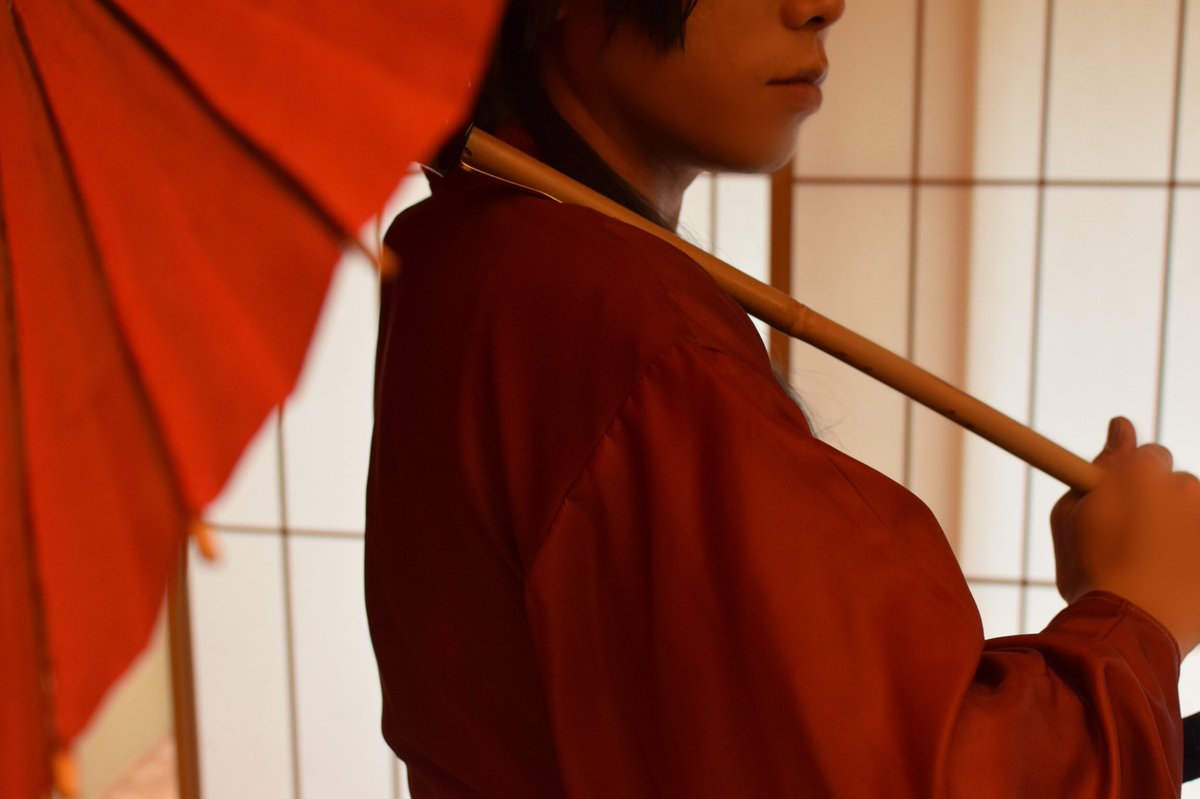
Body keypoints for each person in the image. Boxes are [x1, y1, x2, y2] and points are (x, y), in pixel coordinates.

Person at [365, 1, 1200, 795]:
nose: (821, 7)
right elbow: (909, 780)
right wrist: (1136, 613)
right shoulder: (630, 332)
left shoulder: (468, 254)